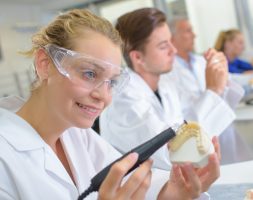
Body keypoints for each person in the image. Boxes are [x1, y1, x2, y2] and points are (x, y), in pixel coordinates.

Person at [0, 9, 220, 200]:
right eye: (89, 73)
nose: (103, 96)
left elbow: (127, 180)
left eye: (112, 82)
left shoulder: (77, 134)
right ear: (45, 64)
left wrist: (173, 192)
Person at [100, 7, 232, 171]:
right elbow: (176, 154)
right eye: (163, 46)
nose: (174, 50)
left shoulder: (165, 83)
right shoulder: (124, 102)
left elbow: (186, 124)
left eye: (171, 41)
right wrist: (213, 91)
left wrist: (218, 76)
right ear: (138, 57)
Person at [165, 18, 246, 164]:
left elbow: (226, 94)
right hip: (196, 142)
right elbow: (181, 118)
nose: (194, 35)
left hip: (223, 131)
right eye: (188, 31)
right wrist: (213, 90)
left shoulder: (201, 61)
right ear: (172, 37)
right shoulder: (167, 72)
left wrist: (222, 73)